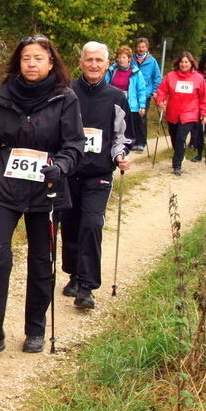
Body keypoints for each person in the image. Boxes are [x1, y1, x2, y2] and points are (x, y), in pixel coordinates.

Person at [0, 34, 84, 359]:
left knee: (40, 261)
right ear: (18, 63)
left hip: (46, 190)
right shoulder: (2, 96)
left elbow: (74, 145)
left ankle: (35, 329)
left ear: (51, 63)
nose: (31, 63)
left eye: (38, 58)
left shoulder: (65, 98)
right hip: (7, 188)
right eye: (26, 58)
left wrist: (60, 166)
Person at [62, 42, 131, 309]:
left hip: (99, 174)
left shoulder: (116, 96)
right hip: (69, 172)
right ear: (80, 63)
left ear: (107, 63)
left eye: (98, 60)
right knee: (70, 225)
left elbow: (122, 135)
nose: (93, 65)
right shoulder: (67, 92)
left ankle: (87, 287)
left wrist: (119, 155)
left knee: (92, 224)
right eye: (88, 60)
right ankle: (74, 274)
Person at [155, 52, 206, 175]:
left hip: (190, 113)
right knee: (175, 138)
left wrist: (205, 113)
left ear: (191, 63)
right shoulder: (171, 76)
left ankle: (177, 165)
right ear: (178, 63)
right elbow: (162, 90)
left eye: (186, 62)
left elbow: (204, 97)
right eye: (181, 62)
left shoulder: (198, 78)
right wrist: (160, 100)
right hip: (173, 112)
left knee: (181, 138)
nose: (183, 64)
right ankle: (179, 155)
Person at [105, 45, 149, 150]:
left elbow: (141, 90)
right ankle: (112, 142)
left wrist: (142, 105)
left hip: (130, 102)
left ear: (129, 58)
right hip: (113, 101)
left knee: (129, 125)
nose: (121, 60)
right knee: (114, 123)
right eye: (119, 57)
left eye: (124, 57)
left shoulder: (136, 72)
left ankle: (129, 144)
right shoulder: (112, 70)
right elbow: (105, 84)